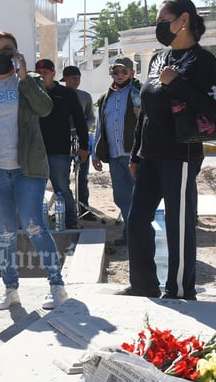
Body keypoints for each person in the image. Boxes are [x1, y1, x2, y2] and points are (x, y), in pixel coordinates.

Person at [120, 0, 216, 300]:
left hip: (180, 154)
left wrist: (177, 83)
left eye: (165, 20)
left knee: (178, 224)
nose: (160, 26)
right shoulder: (158, 59)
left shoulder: (203, 61)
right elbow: (146, 110)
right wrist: (136, 152)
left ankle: (179, 289)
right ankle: (143, 284)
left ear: (184, 20)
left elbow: (213, 109)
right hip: (150, 155)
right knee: (137, 220)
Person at [0, 31, 68, 311]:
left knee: (33, 225)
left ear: (16, 53)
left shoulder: (28, 82)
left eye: (7, 48)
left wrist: (24, 77)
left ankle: (57, 286)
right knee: (4, 232)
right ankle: (11, 290)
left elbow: (45, 109)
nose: (0, 53)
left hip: (27, 168)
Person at [34, 59, 89, 230]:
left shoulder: (66, 93)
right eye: (39, 73)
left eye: (45, 72)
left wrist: (84, 147)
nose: (42, 76)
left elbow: (81, 120)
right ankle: (36, 224)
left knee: (62, 188)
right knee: (34, 191)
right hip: (34, 152)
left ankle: (70, 223)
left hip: (59, 151)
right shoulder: (31, 93)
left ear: (53, 74)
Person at [92, 57, 141, 244]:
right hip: (114, 155)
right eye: (115, 71)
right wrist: (95, 153)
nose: (119, 75)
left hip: (134, 155)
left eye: (124, 72)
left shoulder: (139, 92)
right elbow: (99, 126)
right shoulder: (106, 97)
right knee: (122, 198)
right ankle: (130, 233)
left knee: (139, 197)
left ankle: (138, 235)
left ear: (132, 73)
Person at [60, 65, 96, 221]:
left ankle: (83, 207)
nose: (77, 81)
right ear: (65, 79)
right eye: (73, 78)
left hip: (81, 139)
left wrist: (81, 129)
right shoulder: (58, 95)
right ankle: (66, 210)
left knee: (82, 175)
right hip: (62, 139)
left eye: (78, 78)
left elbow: (91, 117)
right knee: (63, 176)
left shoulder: (85, 96)